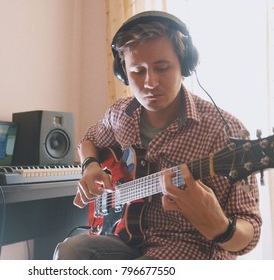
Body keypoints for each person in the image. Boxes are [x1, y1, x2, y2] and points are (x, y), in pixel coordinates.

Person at [53, 10, 262, 260]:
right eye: (138, 72)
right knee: (69, 251)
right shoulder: (121, 113)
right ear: (123, 73)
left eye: (162, 68)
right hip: (125, 237)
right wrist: (89, 165)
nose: (150, 82)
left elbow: (249, 232)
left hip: (188, 249)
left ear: (185, 66)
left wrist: (218, 224)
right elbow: (89, 139)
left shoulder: (226, 130)